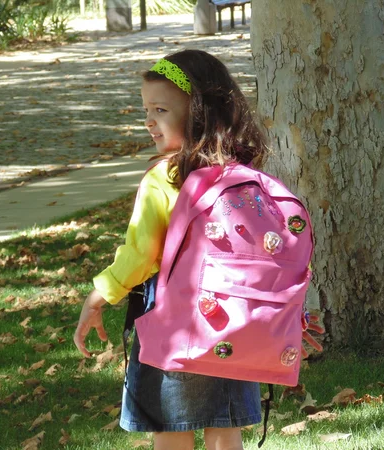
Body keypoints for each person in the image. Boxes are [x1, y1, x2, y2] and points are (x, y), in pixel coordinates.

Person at [74, 49, 271, 450]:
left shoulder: (163, 178)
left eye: (160, 109)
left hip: (173, 319)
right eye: (146, 109)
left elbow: (142, 252)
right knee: (225, 427)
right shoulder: (244, 174)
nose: (149, 120)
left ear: (199, 112)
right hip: (234, 318)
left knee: (171, 427)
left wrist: (99, 295)